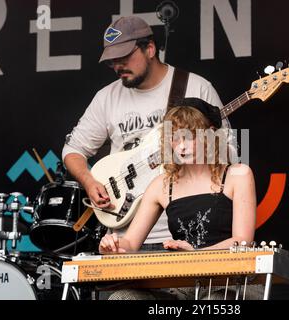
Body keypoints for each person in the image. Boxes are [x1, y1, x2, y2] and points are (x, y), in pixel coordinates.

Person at [62, 16, 232, 250]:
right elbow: (73, 150)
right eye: (112, 61)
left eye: (124, 57)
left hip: (184, 234)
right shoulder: (107, 97)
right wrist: (89, 182)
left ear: (150, 49)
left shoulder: (195, 87)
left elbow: (227, 152)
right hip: (125, 234)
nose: (117, 66)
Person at [99, 98, 256, 300]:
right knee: (123, 298)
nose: (181, 146)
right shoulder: (161, 185)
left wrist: (198, 254)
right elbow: (129, 243)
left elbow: (243, 241)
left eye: (189, 137)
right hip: (184, 285)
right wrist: (113, 247)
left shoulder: (238, 174)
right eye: (174, 138)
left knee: (213, 302)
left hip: (232, 281)